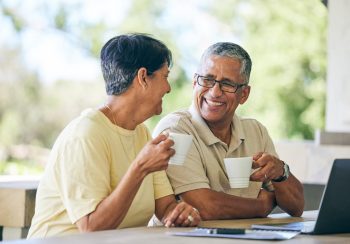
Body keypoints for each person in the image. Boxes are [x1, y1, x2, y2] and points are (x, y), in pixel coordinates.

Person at [27, 33, 201, 238]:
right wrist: (140, 167)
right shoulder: (86, 134)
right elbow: (91, 228)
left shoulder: (142, 133)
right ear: (143, 77)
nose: (169, 88)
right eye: (165, 77)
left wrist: (180, 213)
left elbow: (165, 207)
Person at [153, 42, 304, 220]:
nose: (215, 92)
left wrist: (281, 172)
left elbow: (297, 208)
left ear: (244, 94)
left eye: (227, 84)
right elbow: (204, 207)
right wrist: (262, 205)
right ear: (195, 82)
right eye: (207, 80)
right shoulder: (176, 129)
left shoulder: (256, 131)